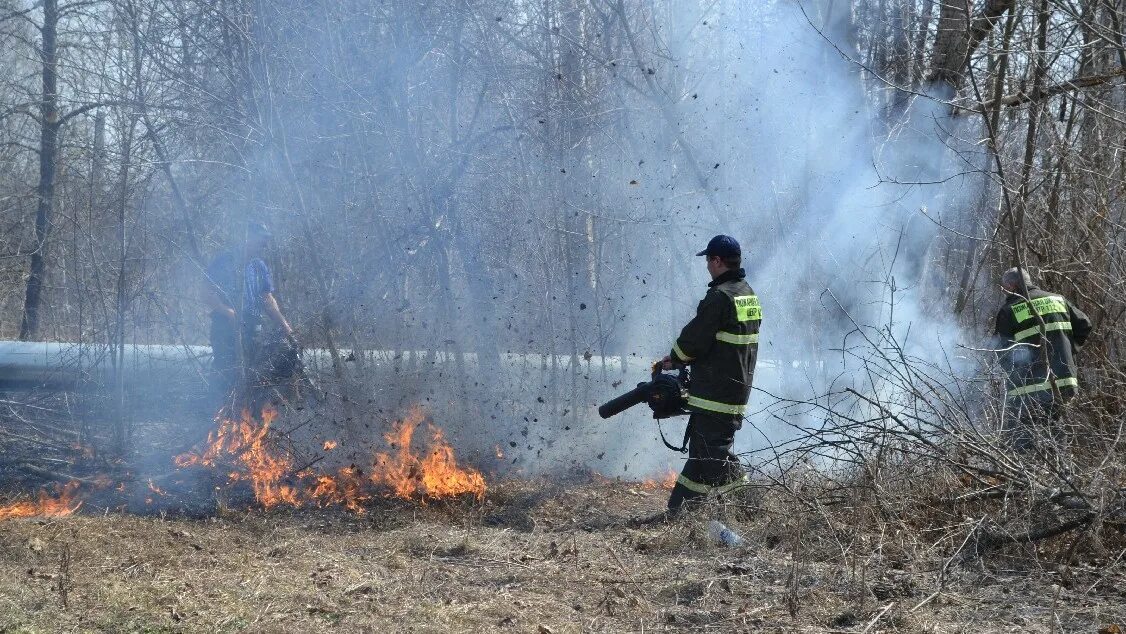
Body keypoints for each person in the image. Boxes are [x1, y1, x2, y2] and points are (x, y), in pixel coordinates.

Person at [659, 234, 760, 515]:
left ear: (717, 261)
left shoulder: (719, 297)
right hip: (735, 389)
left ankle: (751, 510)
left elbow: (695, 339)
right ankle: (680, 512)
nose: (706, 266)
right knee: (702, 454)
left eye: (708, 260)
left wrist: (674, 358)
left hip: (716, 393)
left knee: (714, 457)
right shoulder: (747, 294)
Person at [993, 267, 1092, 450]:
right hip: (1062, 381)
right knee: (1055, 429)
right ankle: (1061, 472)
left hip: (1028, 386)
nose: (1003, 291)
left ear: (1012, 285)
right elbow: (1084, 324)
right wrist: (1068, 352)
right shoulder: (1058, 300)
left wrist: (1013, 374)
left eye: (1004, 287)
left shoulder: (1009, 310)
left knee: (1021, 436)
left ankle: (1025, 475)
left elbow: (1002, 351)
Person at [204, 222, 294, 397]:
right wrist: (227, 312)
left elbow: (267, 298)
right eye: (261, 239)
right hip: (226, 329)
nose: (264, 244)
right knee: (226, 376)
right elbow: (205, 292)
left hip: (253, 331)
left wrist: (285, 327)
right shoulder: (225, 261)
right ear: (248, 237)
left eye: (266, 239)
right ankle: (218, 417)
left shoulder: (259, 266)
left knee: (253, 379)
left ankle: (249, 421)